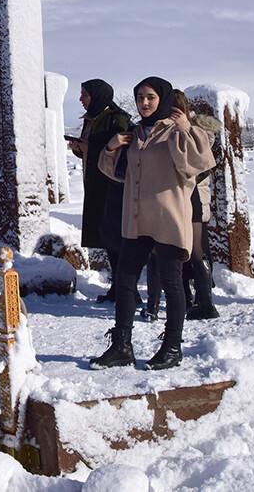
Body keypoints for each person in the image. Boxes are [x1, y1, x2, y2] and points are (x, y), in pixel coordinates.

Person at [91, 77, 214, 371]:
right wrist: (111, 147)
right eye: (139, 98)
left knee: (172, 284)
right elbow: (115, 173)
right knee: (124, 281)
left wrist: (185, 127)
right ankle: (122, 346)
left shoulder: (177, 131)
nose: (144, 104)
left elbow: (199, 164)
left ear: (164, 99)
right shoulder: (134, 133)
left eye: (150, 98)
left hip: (168, 218)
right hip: (136, 218)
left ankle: (172, 347)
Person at [68, 80, 132, 303]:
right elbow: (91, 150)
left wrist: (90, 148)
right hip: (95, 187)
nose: (81, 99)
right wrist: (80, 150)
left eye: (84, 94)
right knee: (107, 238)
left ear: (97, 96)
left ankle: (127, 289)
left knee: (117, 238)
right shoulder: (92, 118)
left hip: (112, 187)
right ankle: (118, 286)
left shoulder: (117, 119)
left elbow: (121, 153)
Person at [172, 90, 222, 320]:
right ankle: (187, 298)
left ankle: (206, 301)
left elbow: (202, 165)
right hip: (178, 196)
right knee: (179, 250)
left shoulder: (195, 131)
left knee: (195, 251)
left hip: (191, 196)